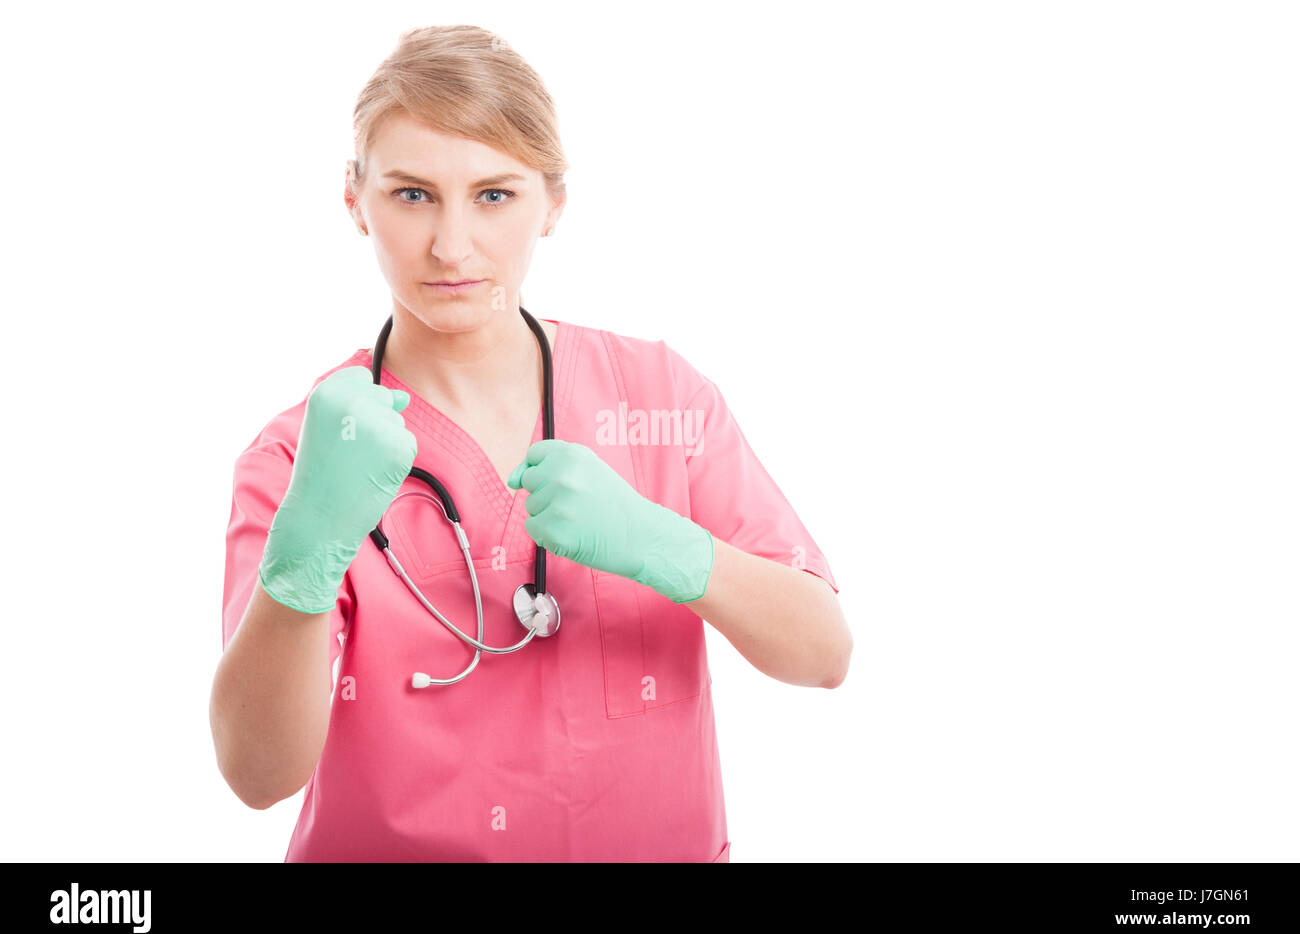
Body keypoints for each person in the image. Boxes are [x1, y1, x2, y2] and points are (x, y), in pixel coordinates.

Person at [209, 24, 851, 863]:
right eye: (411, 194)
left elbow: (824, 651)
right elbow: (257, 774)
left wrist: (674, 549)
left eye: (494, 195)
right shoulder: (298, 456)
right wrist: (305, 559)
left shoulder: (655, 397)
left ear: (554, 203)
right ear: (352, 199)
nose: (451, 245)